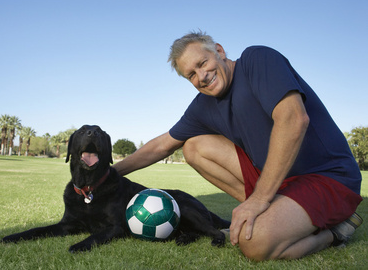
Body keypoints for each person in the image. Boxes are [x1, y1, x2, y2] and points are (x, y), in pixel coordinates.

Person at [113, 31, 363, 261]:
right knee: (194, 147)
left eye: (202, 63)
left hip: (327, 178)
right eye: (191, 74)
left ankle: (335, 233)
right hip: (280, 181)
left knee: (253, 243)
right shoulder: (203, 105)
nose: (202, 76)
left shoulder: (257, 59)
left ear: (219, 51)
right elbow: (161, 145)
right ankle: (278, 216)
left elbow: (293, 120)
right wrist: (109, 174)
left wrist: (259, 200)